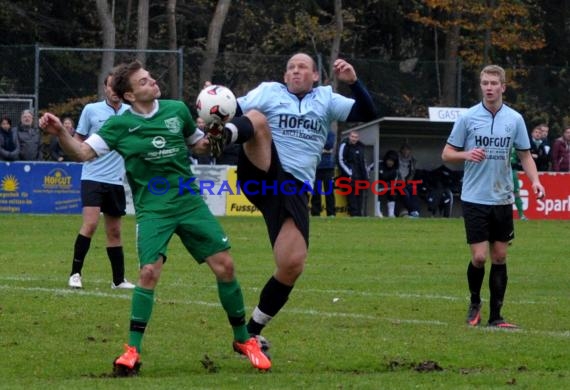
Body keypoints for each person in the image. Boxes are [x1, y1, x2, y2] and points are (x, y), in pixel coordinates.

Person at [39, 60, 272, 374]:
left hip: (189, 203)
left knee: (226, 266)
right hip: (153, 210)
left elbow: (200, 147)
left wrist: (217, 132)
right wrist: (60, 133)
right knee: (148, 272)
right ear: (130, 96)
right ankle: (132, 351)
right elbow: (83, 153)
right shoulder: (119, 126)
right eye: (144, 81)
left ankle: (244, 339)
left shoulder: (176, 110)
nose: (152, 82)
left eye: (150, 78)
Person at [208, 53, 377, 354]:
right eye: (290, 68)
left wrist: (354, 82)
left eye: (303, 68)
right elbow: (237, 109)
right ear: (285, 76)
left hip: (293, 189)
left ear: (315, 76)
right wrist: (215, 110)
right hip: (263, 174)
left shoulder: (326, 99)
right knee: (258, 118)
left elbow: (368, 111)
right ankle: (223, 139)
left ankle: (249, 333)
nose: (295, 71)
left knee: (291, 265)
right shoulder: (269, 91)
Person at [442, 64, 545, 329]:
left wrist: (535, 181)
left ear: (503, 87)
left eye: (493, 83)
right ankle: (475, 302)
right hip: (475, 198)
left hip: (502, 198)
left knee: (499, 256)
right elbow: (447, 154)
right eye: (484, 83)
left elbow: (524, 155)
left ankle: (496, 316)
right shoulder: (468, 118)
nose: (488, 88)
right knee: (479, 257)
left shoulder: (515, 119)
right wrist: (466, 154)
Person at [67, 72, 134, 290]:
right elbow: (78, 141)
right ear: (105, 88)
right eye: (111, 87)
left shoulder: (130, 112)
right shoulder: (91, 110)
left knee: (114, 232)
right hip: (92, 177)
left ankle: (118, 280)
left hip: (116, 180)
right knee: (91, 224)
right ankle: (75, 273)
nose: (114, 91)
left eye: (118, 87)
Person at [338, 130, 368, 216]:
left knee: (360, 199)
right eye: (352, 137)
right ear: (349, 137)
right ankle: (354, 215)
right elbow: (340, 160)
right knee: (352, 199)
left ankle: (359, 216)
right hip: (349, 178)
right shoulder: (344, 145)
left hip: (360, 177)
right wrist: (349, 173)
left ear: (358, 138)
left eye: (356, 137)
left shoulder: (361, 147)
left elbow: (363, 162)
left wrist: (365, 175)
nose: (354, 139)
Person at [311, 130, 336, 217]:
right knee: (316, 191)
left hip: (328, 167)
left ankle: (331, 213)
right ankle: (315, 212)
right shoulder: (314, 132)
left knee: (329, 191)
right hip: (316, 167)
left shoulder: (330, 133)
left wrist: (318, 146)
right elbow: (311, 145)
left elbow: (329, 145)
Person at [374, 150, 400, 218]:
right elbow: (368, 172)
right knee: (376, 190)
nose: (390, 162)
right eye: (389, 160)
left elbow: (393, 184)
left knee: (393, 192)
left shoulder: (395, 170)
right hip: (374, 185)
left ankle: (391, 214)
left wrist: (386, 187)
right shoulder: (378, 164)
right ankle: (377, 212)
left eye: (392, 161)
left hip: (386, 186)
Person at [398, 143, 421, 217]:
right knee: (405, 193)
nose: (405, 151)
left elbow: (412, 172)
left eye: (407, 150)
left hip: (407, 182)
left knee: (413, 190)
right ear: (401, 150)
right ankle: (411, 211)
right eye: (404, 149)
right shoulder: (397, 159)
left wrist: (408, 181)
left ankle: (415, 211)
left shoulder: (412, 161)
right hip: (397, 182)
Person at [510, 147, 527, 220]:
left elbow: (522, 158)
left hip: (513, 171)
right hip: (500, 171)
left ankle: (521, 215)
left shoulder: (515, 146)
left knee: (516, 193)